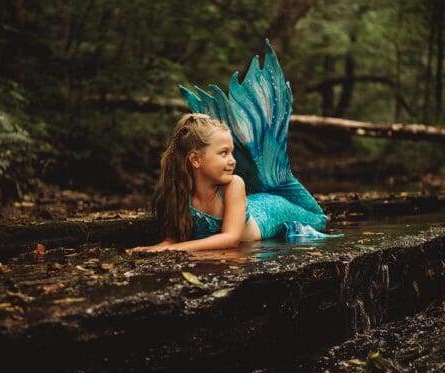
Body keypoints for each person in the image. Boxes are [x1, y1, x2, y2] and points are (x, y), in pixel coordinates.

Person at [128, 40, 336, 253]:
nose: (233, 161)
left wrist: (171, 250)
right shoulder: (177, 192)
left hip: (274, 209)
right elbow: (172, 240)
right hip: (253, 204)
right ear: (195, 159)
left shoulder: (234, 184)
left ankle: (277, 172)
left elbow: (230, 238)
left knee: (319, 219)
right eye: (223, 153)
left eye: (231, 152)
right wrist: (150, 249)